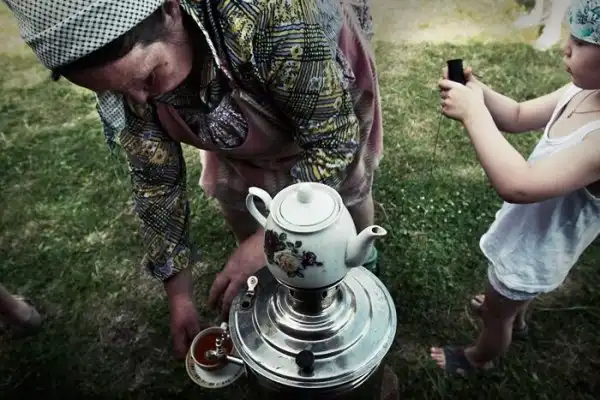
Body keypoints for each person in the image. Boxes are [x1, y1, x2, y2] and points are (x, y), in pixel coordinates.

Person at [3, 0, 390, 379]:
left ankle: (361, 272)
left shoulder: (271, 17)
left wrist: (271, 240)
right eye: (116, 92)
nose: (140, 100)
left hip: (315, 89)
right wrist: (179, 295)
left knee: (345, 195)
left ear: (171, 9)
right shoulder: (135, 80)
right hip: (241, 122)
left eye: (148, 78)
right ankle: (274, 285)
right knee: (241, 193)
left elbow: (333, 139)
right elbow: (156, 185)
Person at [430, 0, 600, 375]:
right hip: (532, 235)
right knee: (510, 299)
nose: (565, 48)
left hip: (534, 251)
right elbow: (518, 115)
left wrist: (473, 112)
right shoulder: (582, 92)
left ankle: (479, 358)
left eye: (580, 42)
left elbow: (518, 185)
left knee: (495, 316)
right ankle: (516, 311)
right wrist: (478, 92)